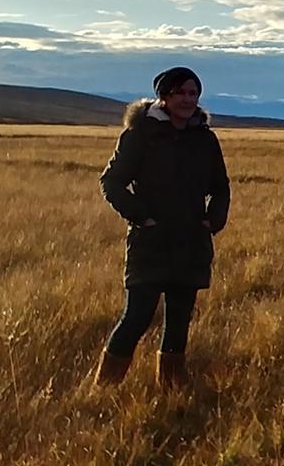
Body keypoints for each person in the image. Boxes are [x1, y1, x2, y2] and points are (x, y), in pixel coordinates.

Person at [98, 66, 229, 387]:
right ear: (164, 96)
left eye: (193, 93)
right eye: (180, 92)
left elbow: (220, 186)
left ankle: (170, 389)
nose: (187, 99)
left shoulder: (204, 138)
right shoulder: (141, 134)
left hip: (190, 241)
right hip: (151, 241)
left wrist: (212, 220)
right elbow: (112, 182)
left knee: (179, 320)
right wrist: (142, 217)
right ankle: (104, 388)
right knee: (137, 316)